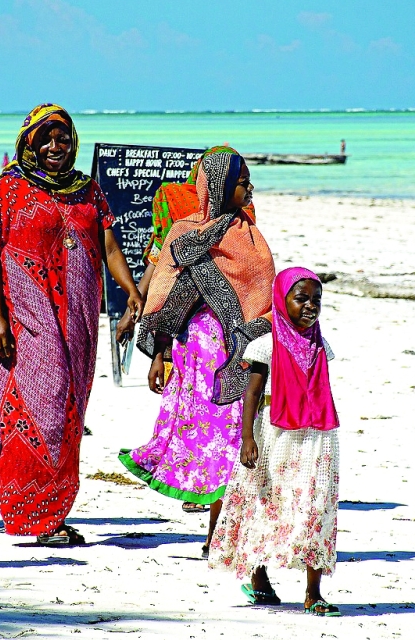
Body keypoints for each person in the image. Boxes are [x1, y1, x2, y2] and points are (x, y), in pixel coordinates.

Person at [0, 103, 144, 544]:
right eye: (47, 139)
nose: (56, 147)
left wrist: (131, 291)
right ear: (30, 142)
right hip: (26, 316)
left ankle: (52, 515)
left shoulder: (88, 190)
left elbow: (109, 246)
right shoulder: (8, 189)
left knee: (71, 409)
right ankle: (28, 510)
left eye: (64, 139)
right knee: (38, 405)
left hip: (79, 318)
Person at [118, 147, 275, 556]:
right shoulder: (183, 232)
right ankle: (215, 534)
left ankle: (219, 534)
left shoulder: (251, 236)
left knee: (234, 439)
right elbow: (165, 296)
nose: (249, 188)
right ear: (221, 186)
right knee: (205, 441)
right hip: (193, 358)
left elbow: (262, 299)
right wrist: (160, 355)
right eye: (241, 182)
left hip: (237, 357)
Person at [209, 267, 341, 617]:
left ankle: (313, 591)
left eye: (317, 299)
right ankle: (258, 576)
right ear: (282, 302)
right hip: (273, 434)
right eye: (301, 299)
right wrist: (247, 438)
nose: (310, 306)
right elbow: (252, 394)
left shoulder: (321, 345)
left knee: (316, 506)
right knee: (265, 501)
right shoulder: (265, 345)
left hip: (317, 436)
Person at [115, 149, 257, 343]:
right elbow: (161, 264)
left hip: (230, 320)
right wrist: (129, 314)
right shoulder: (174, 202)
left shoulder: (241, 213)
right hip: (180, 321)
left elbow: (251, 273)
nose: (250, 187)